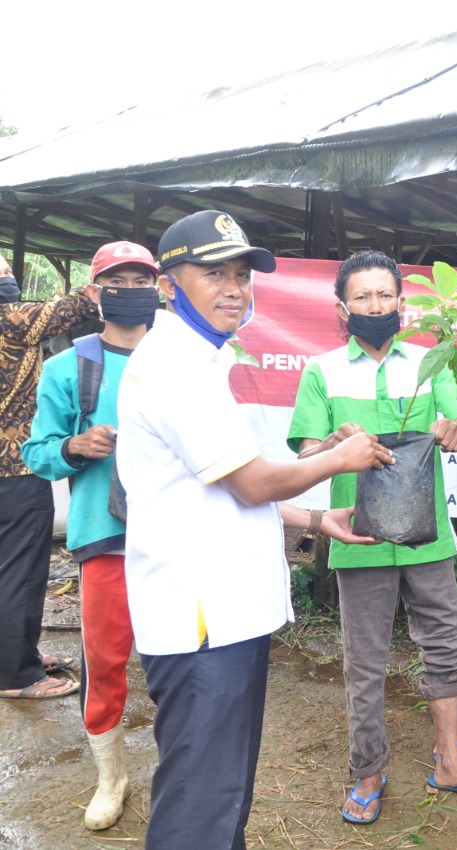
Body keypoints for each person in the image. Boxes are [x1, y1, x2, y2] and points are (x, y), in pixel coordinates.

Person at [116, 210, 393, 850]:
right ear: (170, 283)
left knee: (221, 795)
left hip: (223, 612)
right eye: (214, 273)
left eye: (242, 274)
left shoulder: (201, 359)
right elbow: (252, 483)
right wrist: (338, 459)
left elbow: (223, 486)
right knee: (202, 805)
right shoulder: (176, 367)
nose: (235, 287)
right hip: (202, 620)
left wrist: (319, 517)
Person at [288, 249, 457, 817]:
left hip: (428, 535)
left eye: (384, 294)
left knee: (444, 647)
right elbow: (307, 451)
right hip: (356, 537)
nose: (375, 305)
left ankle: (449, 763)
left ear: (402, 303)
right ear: (342, 307)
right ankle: (368, 772)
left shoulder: (431, 364)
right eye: (362, 296)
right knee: (364, 660)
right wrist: (333, 445)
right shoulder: (323, 371)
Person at [21, 241, 163, 828]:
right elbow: (37, 453)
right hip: (104, 536)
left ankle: (179, 767)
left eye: (142, 278)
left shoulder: (181, 359)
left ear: (159, 287)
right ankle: (111, 776)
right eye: (118, 280)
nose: (131, 289)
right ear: (96, 292)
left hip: (177, 537)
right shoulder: (66, 367)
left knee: (179, 658)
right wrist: (74, 447)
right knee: (105, 660)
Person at [0, 253, 97, 701]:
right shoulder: (12, 318)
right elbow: (79, 305)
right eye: (4, 274)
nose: (11, 278)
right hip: (16, 469)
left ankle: (16, 653)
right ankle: (16, 674)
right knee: (20, 571)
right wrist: (101, 289)